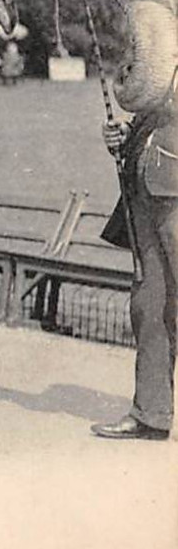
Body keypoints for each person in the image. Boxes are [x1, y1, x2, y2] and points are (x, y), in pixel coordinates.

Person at [91, 70, 178, 441]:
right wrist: (124, 137)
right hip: (144, 197)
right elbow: (154, 123)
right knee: (149, 306)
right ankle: (151, 414)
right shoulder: (161, 56)